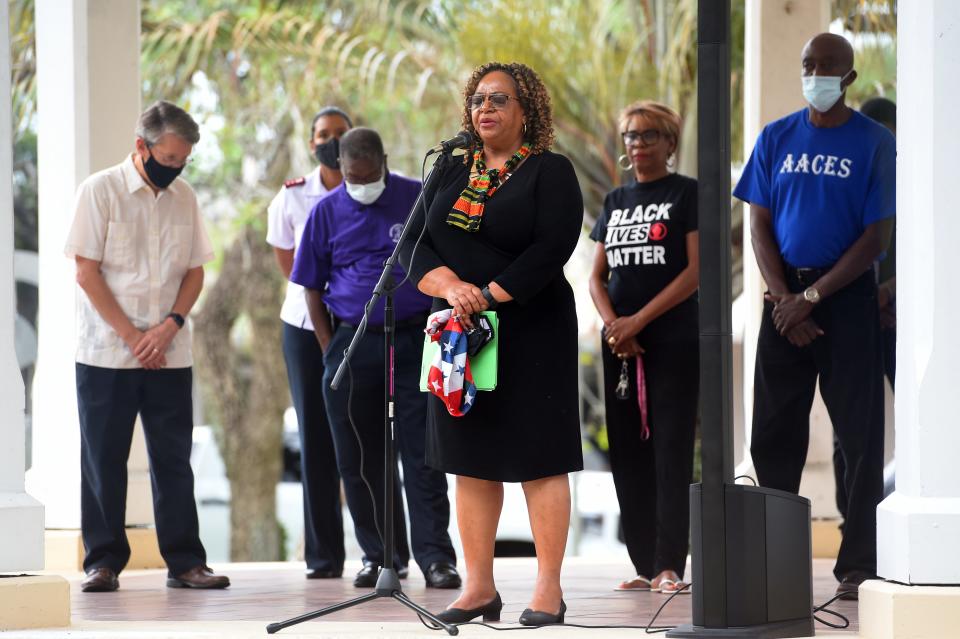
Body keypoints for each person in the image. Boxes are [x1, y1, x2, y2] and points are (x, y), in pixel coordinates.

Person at [400, 61, 584, 626]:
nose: (486, 108)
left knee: (539, 458)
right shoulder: (450, 170)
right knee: (469, 459)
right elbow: (413, 246)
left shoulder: (550, 171)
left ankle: (547, 591)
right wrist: (452, 288)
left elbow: (554, 246)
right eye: (479, 99)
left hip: (532, 328)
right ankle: (479, 587)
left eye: (500, 100)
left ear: (526, 111)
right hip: (459, 337)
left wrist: (488, 293)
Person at [733, 33, 895, 601]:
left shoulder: (875, 142)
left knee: (858, 433)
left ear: (848, 77)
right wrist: (785, 299)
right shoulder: (775, 137)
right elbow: (758, 224)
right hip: (783, 301)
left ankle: (857, 563)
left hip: (845, 300)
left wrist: (816, 298)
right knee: (774, 434)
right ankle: (777, 559)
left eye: (828, 66)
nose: (816, 74)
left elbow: (877, 236)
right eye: (809, 64)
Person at [65, 101, 229, 592]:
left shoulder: (184, 198)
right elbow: (86, 272)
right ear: (142, 146)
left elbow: (195, 270)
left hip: (171, 353)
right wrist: (135, 336)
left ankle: (185, 562)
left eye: (183, 161)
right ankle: (103, 561)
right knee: (103, 459)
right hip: (106, 354)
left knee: (174, 460)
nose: (176, 168)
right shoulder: (99, 191)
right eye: (170, 158)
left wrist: (171, 325)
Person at [290, 127, 460, 589]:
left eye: (369, 175)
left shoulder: (414, 196)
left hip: (415, 339)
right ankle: (381, 555)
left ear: (384, 160)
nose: (361, 184)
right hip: (352, 341)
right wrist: (330, 349)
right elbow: (310, 286)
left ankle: (436, 558)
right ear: (340, 168)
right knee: (359, 456)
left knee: (424, 453)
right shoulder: (325, 212)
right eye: (351, 176)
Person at [266, 106, 383, 579]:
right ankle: (323, 556)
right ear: (310, 141)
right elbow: (289, 264)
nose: (330, 140)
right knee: (316, 440)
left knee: (368, 440)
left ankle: (381, 552)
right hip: (305, 326)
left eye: (339, 133)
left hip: (363, 326)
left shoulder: (381, 186)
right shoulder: (293, 196)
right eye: (322, 134)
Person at [588, 101, 699, 595]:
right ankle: (642, 561)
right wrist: (616, 326)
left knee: (670, 451)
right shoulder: (614, 200)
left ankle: (670, 564)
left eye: (649, 134)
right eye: (630, 135)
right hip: (622, 349)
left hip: (671, 341)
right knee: (629, 453)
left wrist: (639, 320)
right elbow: (596, 276)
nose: (638, 143)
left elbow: (695, 273)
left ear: (670, 143)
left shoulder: (687, 194)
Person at [832, 96, 897, 526]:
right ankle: (852, 521)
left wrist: (891, 292)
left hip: (899, 320)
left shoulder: (914, 182)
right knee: (849, 425)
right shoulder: (848, 182)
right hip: (853, 313)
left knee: (918, 419)